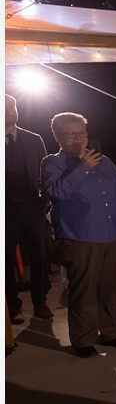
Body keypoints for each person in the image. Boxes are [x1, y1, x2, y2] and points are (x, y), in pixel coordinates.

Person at [41, 112, 116, 357]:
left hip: (114, 235)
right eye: (71, 134)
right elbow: (56, 193)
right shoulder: (52, 163)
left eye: (81, 133)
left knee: (110, 288)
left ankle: (111, 332)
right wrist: (82, 168)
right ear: (58, 137)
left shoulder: (106, 161)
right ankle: (84, 340)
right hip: (79, 237)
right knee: (84, 290)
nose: (78, 139)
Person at [5, 94, 53, 324]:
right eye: (5, 108)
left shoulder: (33, 139)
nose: (11, 111)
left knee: (39, 257)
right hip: (5, 210)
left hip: (33, 206)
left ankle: (40, 302)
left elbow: (46, 171)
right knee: (5, 260)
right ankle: (13, 307)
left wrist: (45, 199)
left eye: (13, 107)